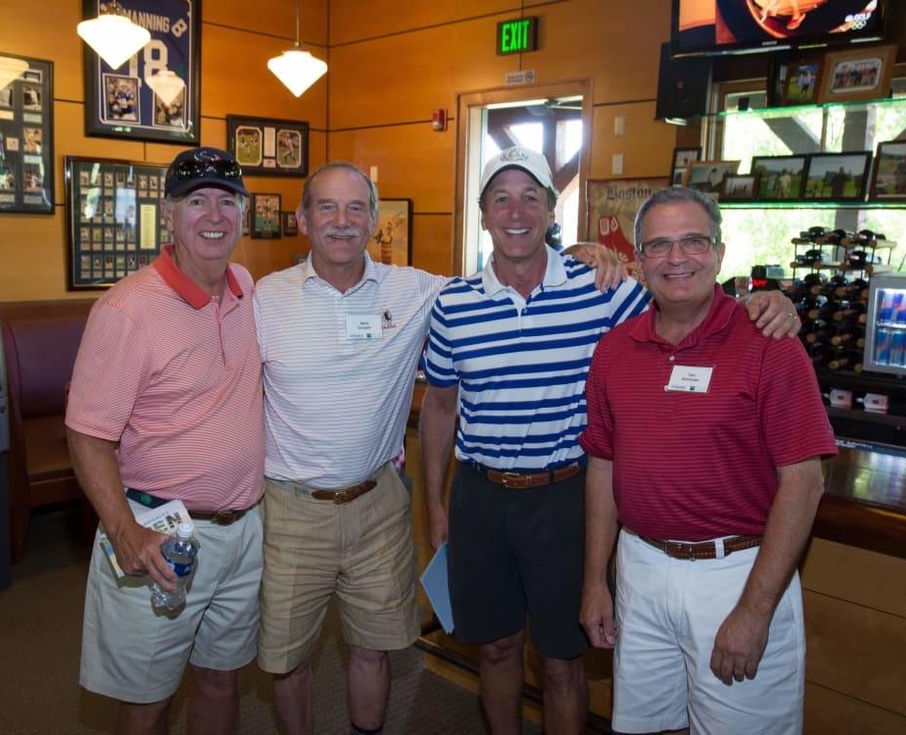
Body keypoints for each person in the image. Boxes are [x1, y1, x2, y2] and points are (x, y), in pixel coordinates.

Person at [420, 148, 799, 734]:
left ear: (551, 210)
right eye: (501, 198)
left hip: (565, 496)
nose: (516, 211)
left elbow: (689, 301)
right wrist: (437, 506)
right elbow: (441, 407)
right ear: (482, 212)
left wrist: (763, 304)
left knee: (562, 660)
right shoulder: (453, 304)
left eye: (531, 198)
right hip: (481, 496)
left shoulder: (603, 289)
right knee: (494, 650)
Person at [253, 160, 627, 734]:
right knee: (292, 658)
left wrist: (586, 250)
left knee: (546, 659)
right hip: (308, 505)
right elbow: (441, 405)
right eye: (327, 207)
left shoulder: (430, 291)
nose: (342, 221)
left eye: (357, 208)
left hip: (519, 499)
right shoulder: (264, 298)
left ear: (375, 220)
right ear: (303, 219)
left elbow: (679, 315)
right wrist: (437, 503)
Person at [578, 186, 837, 734]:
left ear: (719, 253)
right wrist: (595, 580)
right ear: (639, 260)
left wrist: (754, 609)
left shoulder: (770, 343)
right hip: (640, 569)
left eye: (693, 241)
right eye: (660, 245)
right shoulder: (614, 351)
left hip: (736, 574)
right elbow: (603, 468)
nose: (677, 259)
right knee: (647, 727)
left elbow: (804, 485)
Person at [66, 147, 263, 735]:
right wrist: (124, 528)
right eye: (196, 200)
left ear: (242, 215)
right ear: (169, 215)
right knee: (146, 700)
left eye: (227, 201)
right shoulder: (128, 310)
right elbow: (86, 434)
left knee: (222, 677)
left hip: (243, 530)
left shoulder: (246, 288)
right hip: (159, 532)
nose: (214, 214)